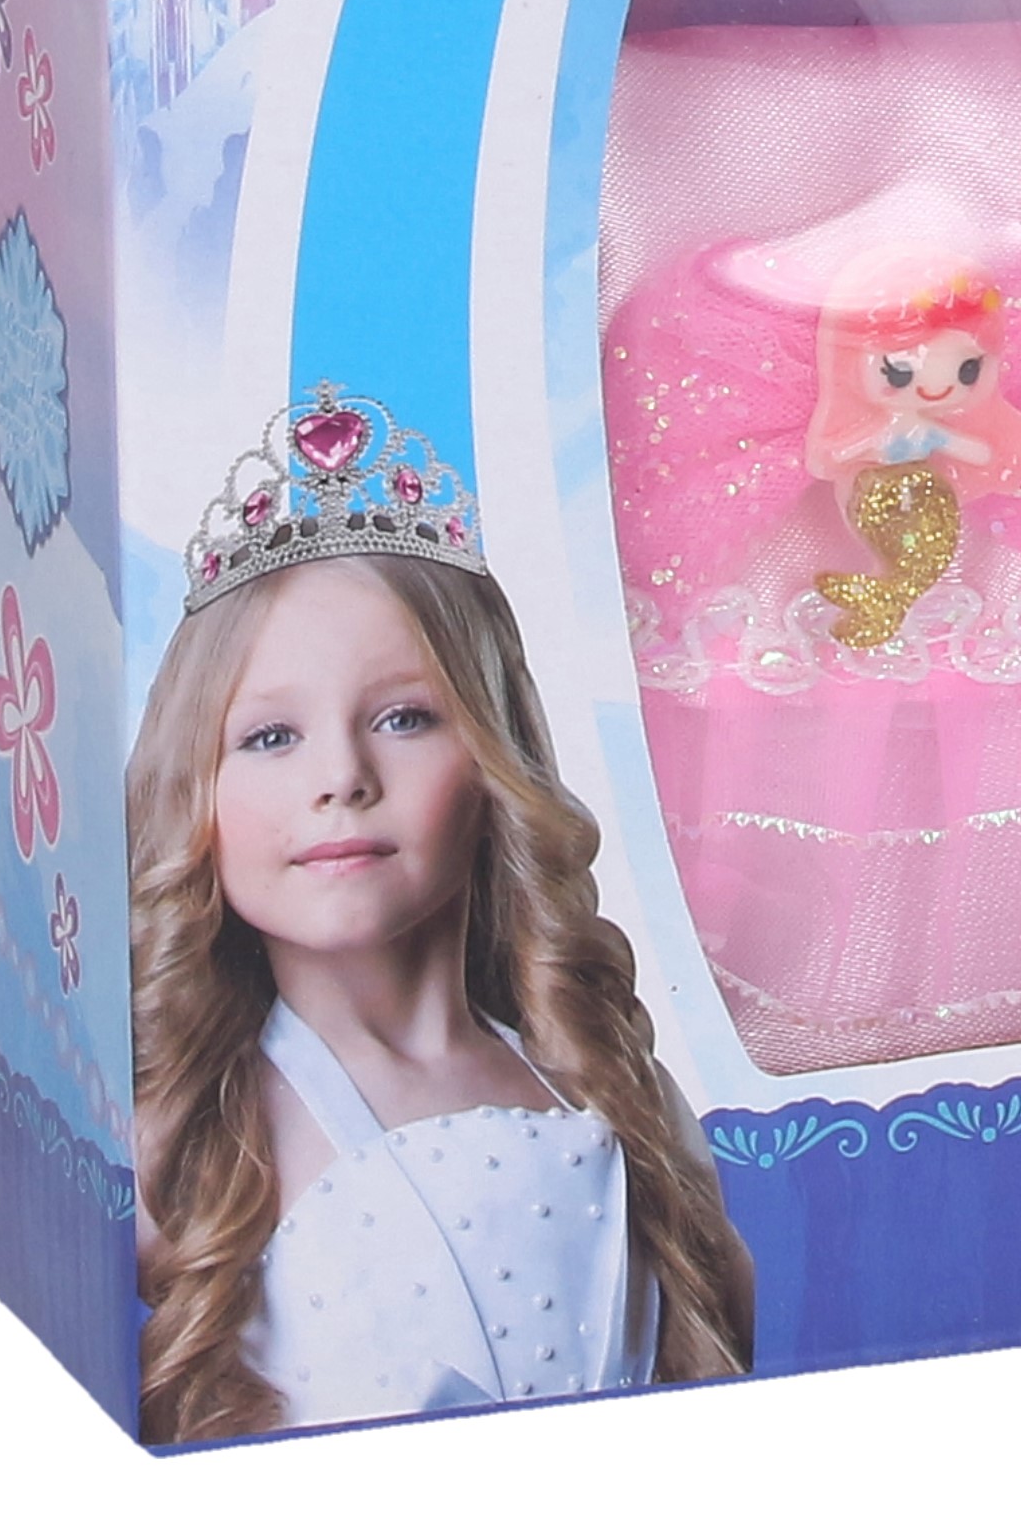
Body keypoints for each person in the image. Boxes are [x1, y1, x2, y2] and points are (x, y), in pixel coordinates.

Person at [126, 391, 754, 1440]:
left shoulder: (621, 1097)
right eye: (271, 738)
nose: (342, 776)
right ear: (195, 791)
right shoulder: (183, 1145)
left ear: (492, 762)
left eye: (406, 718)